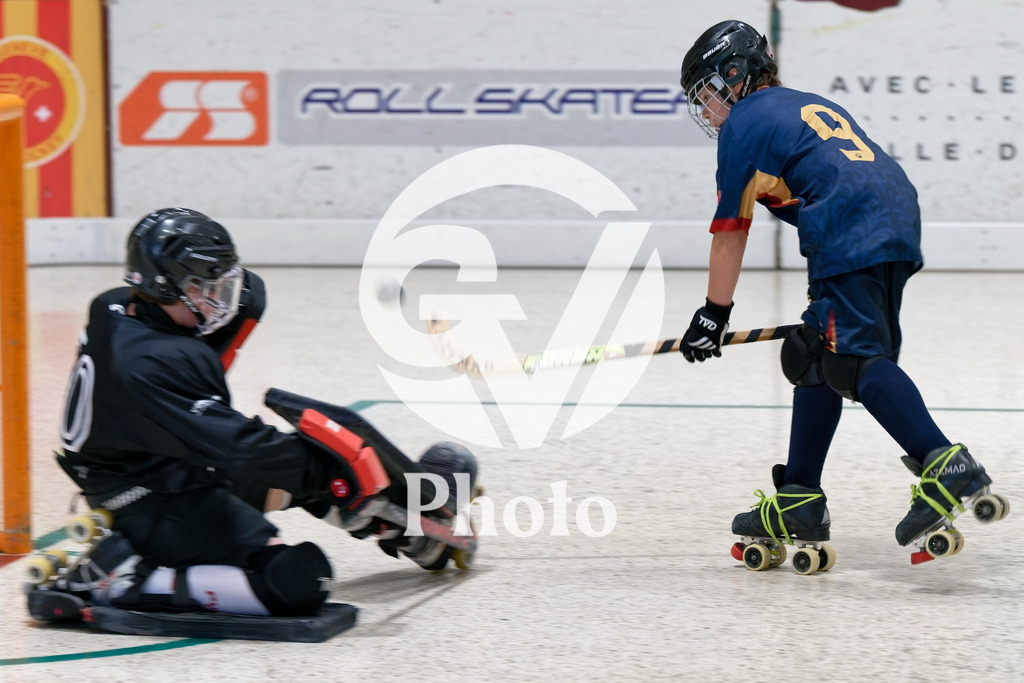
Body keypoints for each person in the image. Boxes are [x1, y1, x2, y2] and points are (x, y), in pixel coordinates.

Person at [34, 208, 474, 623]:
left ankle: (417, 535)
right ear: (164, 286)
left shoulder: (114, 306)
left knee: (318, 475)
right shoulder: (150, 362)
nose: (216, 299)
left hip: (161, 465)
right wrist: (322, 468)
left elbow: (210, 406)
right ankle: (125, 579)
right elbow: (239, 450)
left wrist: (326, 473)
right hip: (147, 499)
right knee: (299, 578)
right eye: (201, 289)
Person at [676, 21, 1006, 565]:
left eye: (708, 94)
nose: (708, 111)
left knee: (851, 363)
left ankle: (945, 464)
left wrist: (712, 315)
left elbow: (729, 234)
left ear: (735, 77)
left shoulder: (743, 127)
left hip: (848, 224)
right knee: (813, 353)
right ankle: (799, 499)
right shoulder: (799, 103)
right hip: (893, 212)